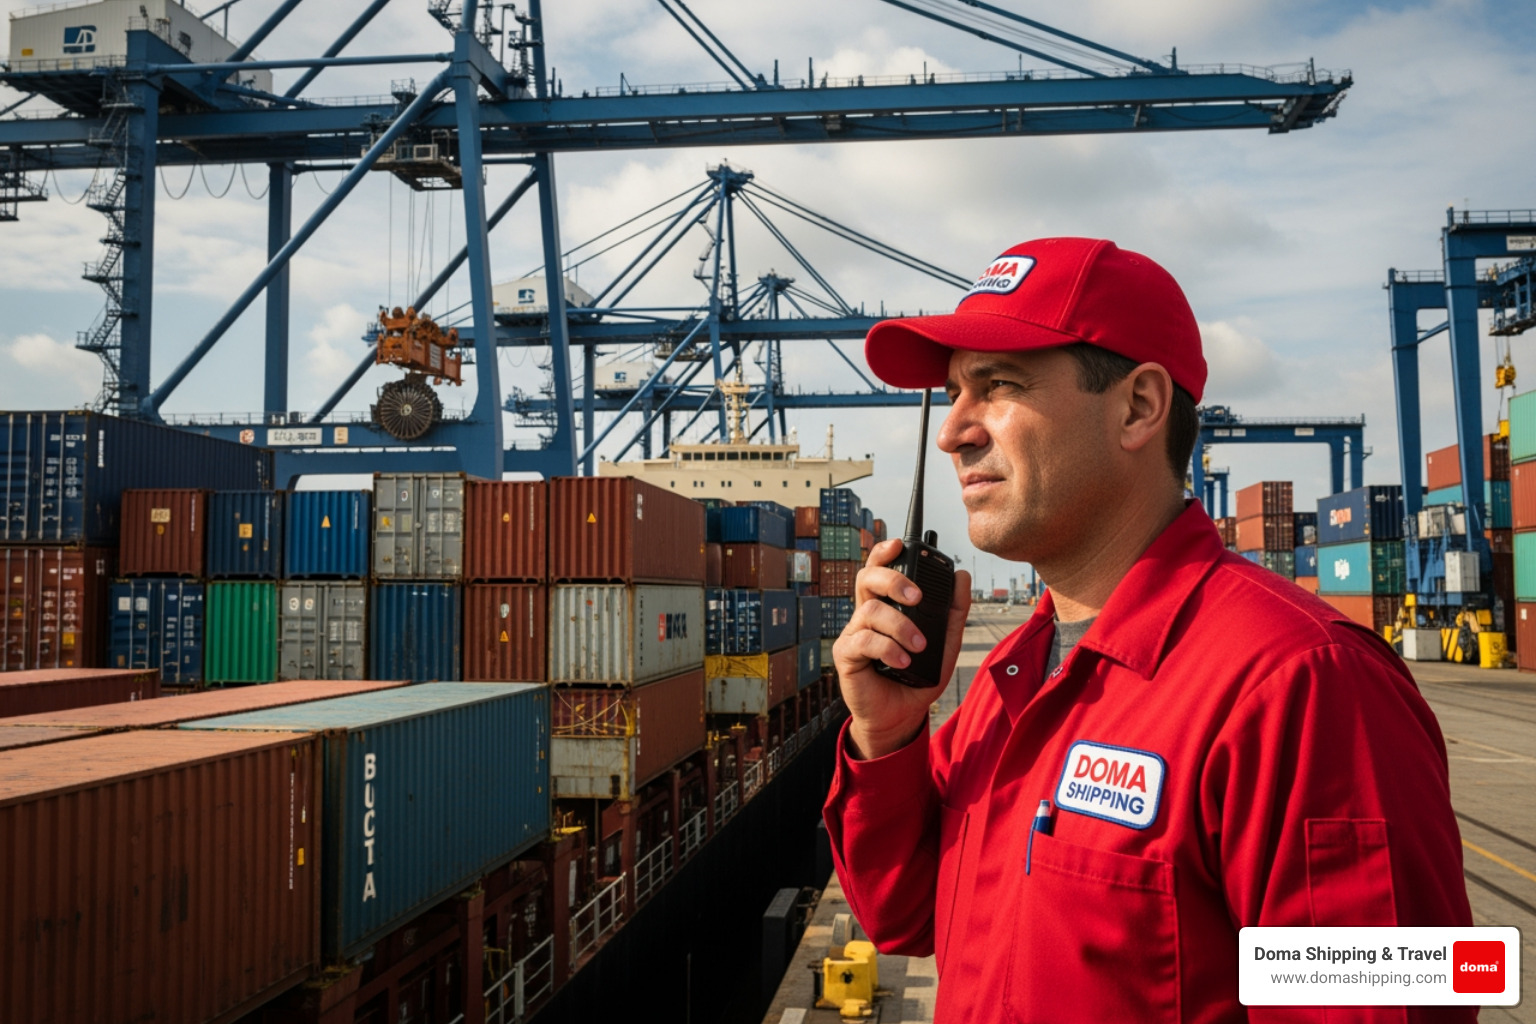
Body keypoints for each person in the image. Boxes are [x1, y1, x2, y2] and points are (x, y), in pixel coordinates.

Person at [823, 237, 1474, 1023]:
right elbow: (905, 918)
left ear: (1138, 406)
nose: (952, 432)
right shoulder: (1015, 680)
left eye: (996, 386)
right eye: (955, 392)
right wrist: (887, 741)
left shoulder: (1304, 682)